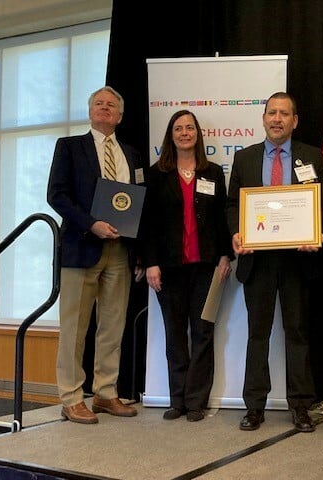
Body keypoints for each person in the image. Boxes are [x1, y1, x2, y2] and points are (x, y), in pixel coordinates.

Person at [225, 91, 323, 433]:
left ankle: (300, 406)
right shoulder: (245, 158)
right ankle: (254, 406)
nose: (277, 119)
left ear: (294, 121)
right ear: (263, 119)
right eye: (272, 113)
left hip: (298, 260)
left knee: (297, 333)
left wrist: (318, 232)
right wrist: (237, 233)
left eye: (284, 113)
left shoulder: (312, 157)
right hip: (257, 261)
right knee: (257, 334)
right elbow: (232, 204)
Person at [47, 86, 143, 424]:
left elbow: (136, 201)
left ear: (120, 115)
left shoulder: (131, 153)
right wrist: (92, 224)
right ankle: (71, 397)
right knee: (74, 328)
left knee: (113, 326)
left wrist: (138, 248)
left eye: (111, 105)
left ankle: (105, 392)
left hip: (120, 250)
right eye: (99, 103)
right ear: (90, 112)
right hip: (81, 248)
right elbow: (57, 195)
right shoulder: (70, 147)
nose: (105, 108)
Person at [141, 110, 233, 422]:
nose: (184, 133)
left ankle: (196, 402)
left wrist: (225, 255)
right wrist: (150, 262)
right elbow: (147, 224)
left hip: (207, 266)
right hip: (168, 268)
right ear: (171, 135)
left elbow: (221, 217)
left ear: (197, 134)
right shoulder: (156, 174)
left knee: (203, 332)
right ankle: (177, 400)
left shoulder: (213, 172)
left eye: (189, 128)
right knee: (175, 333)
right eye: (178, 128)